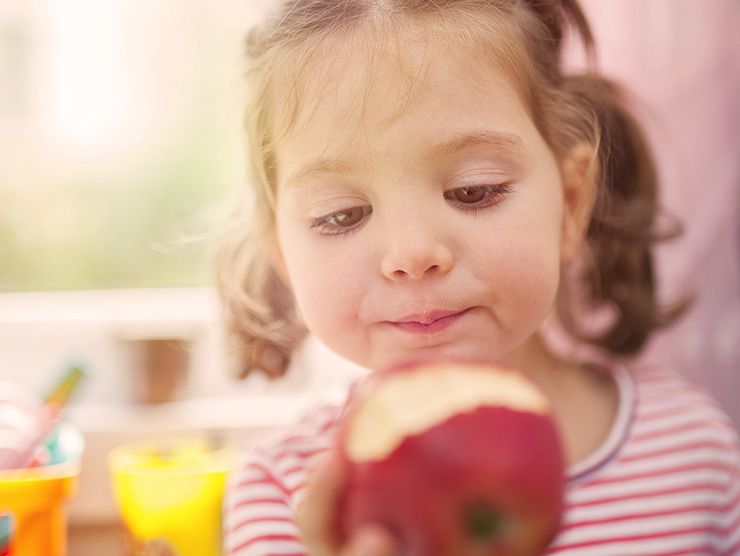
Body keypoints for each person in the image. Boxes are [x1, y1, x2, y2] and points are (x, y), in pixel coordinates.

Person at [217, 0, 740, 554]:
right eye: (340, 215)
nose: (412, 253)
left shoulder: (693, 453)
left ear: (569, 201)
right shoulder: (284, 495)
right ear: (282, 252)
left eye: (474, 190)